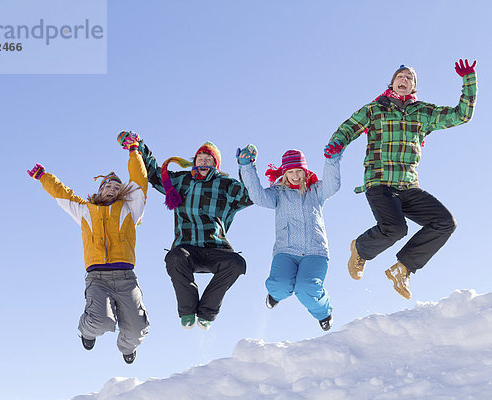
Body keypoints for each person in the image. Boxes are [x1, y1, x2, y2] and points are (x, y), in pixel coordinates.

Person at [324, 59, 478, 300]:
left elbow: (462, 115)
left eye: (409, 78)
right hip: (379, 182)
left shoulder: (424, 112)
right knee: (395, 229)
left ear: (414, 86)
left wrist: (469, 81)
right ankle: (360, 248)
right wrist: (337, 143)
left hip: (408, 186)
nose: (404, 79)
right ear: (393, 83)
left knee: (445, 222)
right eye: (400, 76)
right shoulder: (375, 109)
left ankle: (403, 268)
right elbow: (349, 127)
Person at [26, 132, 149, 364]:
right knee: (100, 322)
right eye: (107, 186)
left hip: (126, 277)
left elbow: (140, 180)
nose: (111, 188)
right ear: (100, 190)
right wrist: (43, 177)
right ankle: (87, 331)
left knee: (136, 330)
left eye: (116, 186)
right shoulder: (85, 211)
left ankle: (127, 346)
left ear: (121, 191)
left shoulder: (131, 208)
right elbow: (63, 194)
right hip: (97, 277)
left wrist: (134, 150)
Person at [128, 133, 252, 330]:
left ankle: (207, 312)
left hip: (215, 248)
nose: (203, 161)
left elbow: (249, 195)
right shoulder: (181, 181)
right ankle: (187, 311)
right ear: (194, 162)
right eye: (199, 158)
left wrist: (246, 166)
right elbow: (154, 174)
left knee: (237, 263)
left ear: (215, 163)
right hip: (187, 248)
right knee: (174, 257)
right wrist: (138, 146)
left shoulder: (226, 185)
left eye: (208, 159)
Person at [237, 146, 340, 331]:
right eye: (290, 172)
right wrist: (247, 167)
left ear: (304, 171)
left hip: (315, 251)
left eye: (298, 171)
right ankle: (275, 295)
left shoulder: (315, 190)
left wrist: (332, 160)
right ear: (284, 173)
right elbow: (258, 197)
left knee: (307, 287)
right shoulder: (278, 193)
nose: (295, 175)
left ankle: (324, 313)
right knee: (278, 284)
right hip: (286, 251)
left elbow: (333, 186)